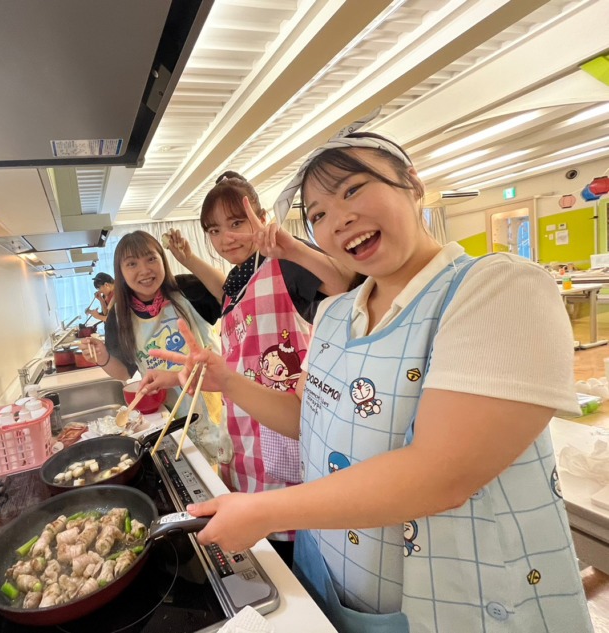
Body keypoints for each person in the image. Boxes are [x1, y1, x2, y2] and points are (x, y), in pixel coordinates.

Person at [149, 116, 592, 631]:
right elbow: (307, 419)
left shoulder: (497, 289)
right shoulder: (338, 313)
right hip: (338, 587)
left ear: (412, 182)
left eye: (354, 189)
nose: (337, 218)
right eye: (317, 213)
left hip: (464, 601)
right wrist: (226, 380)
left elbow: (441, 474)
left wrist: (267, 510)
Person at [144, 172, 356, 567]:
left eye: (237, 224)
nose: (226, 239)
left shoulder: (287, 267)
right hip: (245, 436)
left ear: (260, 216)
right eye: (215, 231)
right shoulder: (242, 279)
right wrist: (189, 258)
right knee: (261, 552)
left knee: (295, 552)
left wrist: (292, 249)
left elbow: (347, 282)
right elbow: (227, 293)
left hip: (288, 427)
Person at [80, 231, 224, 464]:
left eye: (151, 259)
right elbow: (124, 372)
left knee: (224, 475)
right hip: (167, 416)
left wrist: (189, 259)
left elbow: (230, 293)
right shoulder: (119, 315)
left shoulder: (187, 289)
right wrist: (103, 357)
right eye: (132, 263)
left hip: (215, 401)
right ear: (121, 272)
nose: (144, 270)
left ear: (162, 259)